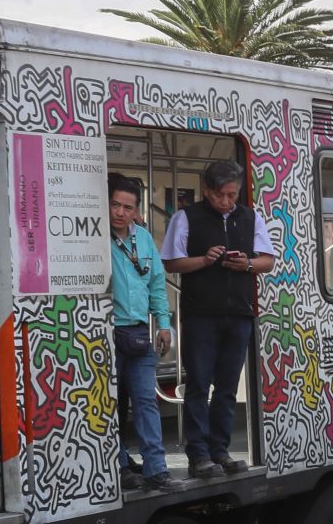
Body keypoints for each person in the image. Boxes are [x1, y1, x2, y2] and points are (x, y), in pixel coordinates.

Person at [162, 159, 273, 478]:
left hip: (239, 313)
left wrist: (247, 265)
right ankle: (198, 455)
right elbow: (171, 263)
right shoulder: (187, 217)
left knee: (226, 386)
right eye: (220, 195)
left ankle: (220, 449)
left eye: (233, 195)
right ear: (206, 191)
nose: (227, 202)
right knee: (198, 383)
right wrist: (205, 259)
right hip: (200, 314)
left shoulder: (250, 218)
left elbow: (267, 260)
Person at [108, 175, 174, 492]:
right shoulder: (93, 236)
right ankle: (119, 464)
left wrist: (164, 323)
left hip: (137, 331)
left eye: (128, 207)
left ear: (137, 211)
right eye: (115, 204)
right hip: (104, 331)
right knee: (109, 404)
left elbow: (157, 285)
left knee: (146, 400)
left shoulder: (144, 238)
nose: (120, 212)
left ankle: (156, 469)